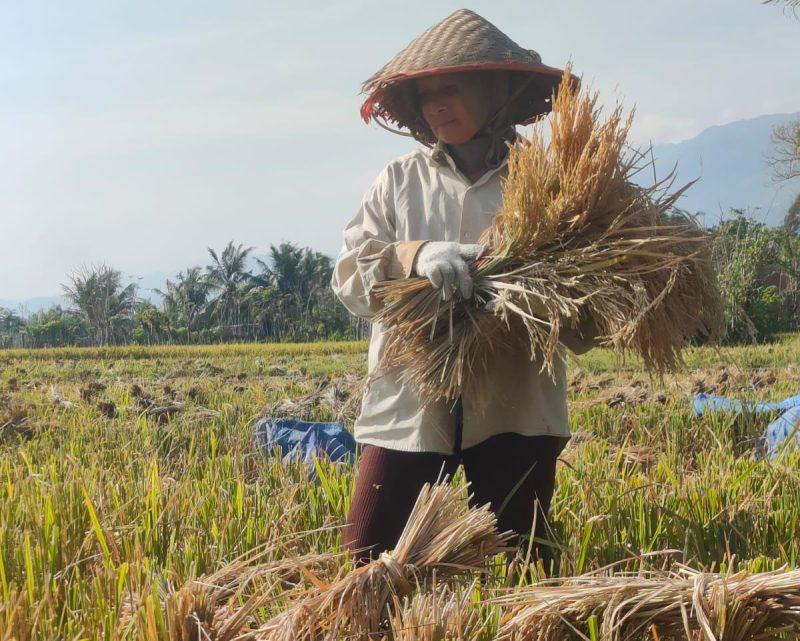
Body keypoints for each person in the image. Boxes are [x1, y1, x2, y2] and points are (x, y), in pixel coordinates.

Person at [331, 9, 596, 563]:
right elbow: (350, 279)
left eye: (451, 88)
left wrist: (538, 292)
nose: (437, 105)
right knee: (367, 563)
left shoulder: (552, 184)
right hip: (409, 401)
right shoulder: (399, 181)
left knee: (524, 568)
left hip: (515, 404)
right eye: (426, 94)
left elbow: (585, 326)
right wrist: (414, 256)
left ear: (494, 90)